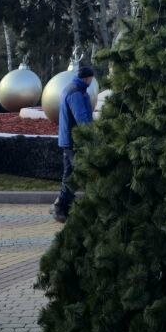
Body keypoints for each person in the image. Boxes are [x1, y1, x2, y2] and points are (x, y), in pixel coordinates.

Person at [50, 64, 95, 223]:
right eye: (91, 78)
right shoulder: (76, 93)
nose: (91, 81)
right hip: (74, 140)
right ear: (87, 78)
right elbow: (82, 118)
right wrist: (91, 135)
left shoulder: (74, 89)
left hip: (68, 139)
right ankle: (62, 206)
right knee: (80, 173)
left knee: (70, 174)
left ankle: (61, 207)